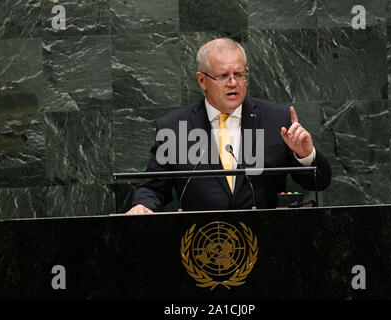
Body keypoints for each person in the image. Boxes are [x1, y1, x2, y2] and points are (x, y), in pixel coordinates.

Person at [127, 38, 331, 214]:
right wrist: (142, 206)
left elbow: (318, 183)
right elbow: (153, 189)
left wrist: (306, 156)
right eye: (223, 76)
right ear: (202, 81)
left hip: (267, 241)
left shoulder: (277, 120)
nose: (233, 83)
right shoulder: (174, 128)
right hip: (201, 244)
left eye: (239, 74)